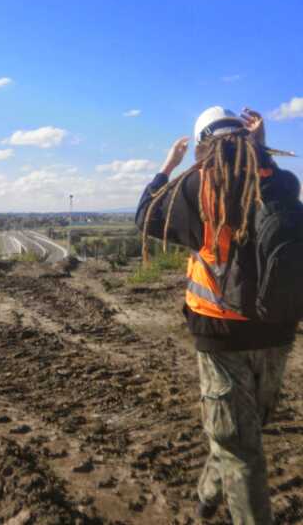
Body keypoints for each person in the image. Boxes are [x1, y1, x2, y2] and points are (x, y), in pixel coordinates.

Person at [135, 106, 300, 524]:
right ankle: (207, 496)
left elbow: (145, 217)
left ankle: (225, 502)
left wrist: (166, 167)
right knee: (241, 434)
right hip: (278, 329)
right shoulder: (283, 183)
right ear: (247, 140)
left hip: (220, 334)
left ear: (201, 146)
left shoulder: (194, 187)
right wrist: (259, 148)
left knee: (240, 448)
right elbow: (265, 190)